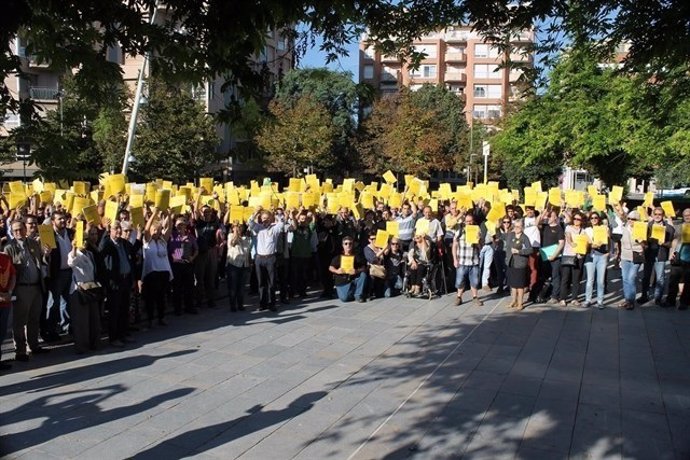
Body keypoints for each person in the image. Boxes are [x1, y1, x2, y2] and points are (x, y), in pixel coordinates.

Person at [4, 220, 50, 361]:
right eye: (15, 230)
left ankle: (34, 345)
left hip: (36, 286)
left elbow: (40, 261)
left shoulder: (33, 243)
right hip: (21, 287)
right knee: (19, 321)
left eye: (20, 229)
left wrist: (46, 254)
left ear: (25, 229)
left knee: (34, 318)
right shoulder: (9, 248)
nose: (18, 232)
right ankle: (21, 350)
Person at [100, 220, 136, 347]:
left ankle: (123, 334)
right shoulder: (108, 244)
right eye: (116, 229)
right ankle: (113, 337)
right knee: (114, 311)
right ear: (111, 230)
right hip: (114, 282)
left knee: (124, 309)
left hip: (126, 280)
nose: (119, 231)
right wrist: (105, 232)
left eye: (120, 228)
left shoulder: (124, 243)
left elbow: (133, 253)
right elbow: (101, 250)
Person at [68, 225, 103, 354]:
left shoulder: (89, 253)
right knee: (81, 320)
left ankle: (94, 343)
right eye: (82, 239)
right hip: (79, 290)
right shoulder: (74, 253)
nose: (84, 242)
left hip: (91, 288)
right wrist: (74, 247)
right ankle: (81, 346)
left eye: (86, 239)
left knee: (93, 318)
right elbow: (71, 261)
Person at [249, 208, 287, 311]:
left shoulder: (274, 229)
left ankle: (272, 303)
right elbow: (250, 222)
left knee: (271, 282)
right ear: (261, 219)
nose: (265, 220)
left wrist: (276, 214)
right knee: (261, 283)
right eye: (263, 218)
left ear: (270, 219)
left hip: (270, 258)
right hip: (259, 258)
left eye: (267, 218)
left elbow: (282, 222)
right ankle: (262, 303)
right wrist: (256, 212)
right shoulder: (258, 228)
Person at [142, 209, 173, 326]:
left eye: (159, 230)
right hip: (152, 273)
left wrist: (169, 215)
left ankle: (161, 317)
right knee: (151, 298)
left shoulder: (162, 241)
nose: (156, 232)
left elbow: (169, 229)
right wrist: (154, 213)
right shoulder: (147, 241)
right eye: (154, 230)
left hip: (163, 272)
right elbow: (146, 229)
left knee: (162, 297)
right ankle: (150, 319)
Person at [46, 210, 73, 340]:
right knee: (54, 303)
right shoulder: (48, 235)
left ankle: (67, 327)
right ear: (53, 222)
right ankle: (50, 330)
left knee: (67, 302)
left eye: (64, 219)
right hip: (57, 274)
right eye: (59, 219)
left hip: (70, 272)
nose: (62, 221)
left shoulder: (71, 233)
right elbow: (45, 257)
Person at [640, 207, 675, 306]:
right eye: (655, 214)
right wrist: (644, 242)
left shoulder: (669, 228)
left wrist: (663, 243)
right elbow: (643, 241)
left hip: (661, 255)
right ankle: (644, 296)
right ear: (652, 215)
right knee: (646, 277)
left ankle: (657, 298)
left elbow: (670, 244)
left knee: (660, 278)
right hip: (649, 254)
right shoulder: (647, 226)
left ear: (663, 215)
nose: (657, 216)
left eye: (660, 214)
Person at [168, 217, 198, 315]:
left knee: (189, 286)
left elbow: (196, 249)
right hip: (176, 264)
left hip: (187, 264)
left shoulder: (190, 236)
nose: (181, 226)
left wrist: (192, 257)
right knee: (177, 288)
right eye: (179, 225)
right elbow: (171, 249)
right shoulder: (173, 236)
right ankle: (178, 308)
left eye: (183, 224)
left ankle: (189, 307)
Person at [452, 214, 483, 306]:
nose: (469, 223)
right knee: (459, 280)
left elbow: (480, 247)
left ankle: (475, 297)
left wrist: (478, 241)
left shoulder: (477, 230)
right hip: (462, 260)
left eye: (470, 221)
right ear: (464, 222)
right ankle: (459, 297)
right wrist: (455, 259)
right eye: (467, 221)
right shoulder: (460, 231)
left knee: (475, 281)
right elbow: (455, 245)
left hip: (474, 260)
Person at [193, 204, 221, 308]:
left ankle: (211, 300)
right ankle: (199, 300)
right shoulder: (199, 223)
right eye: (204, 212)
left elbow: (219, 211)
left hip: (211, 252)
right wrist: (199, 195)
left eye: (208, 211)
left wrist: (217, 200)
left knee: (211, 277)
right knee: (199, 277)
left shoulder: (215, 223)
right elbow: (195, 211)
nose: (207, 213)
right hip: (201, 253)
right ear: (201, 213)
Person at [619, 210, 645, 310]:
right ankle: (627, 300)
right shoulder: (625, 228)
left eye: (633, 219)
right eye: (629, 218)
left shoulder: (641, 229)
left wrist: (641, 241)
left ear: (638, 220)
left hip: (636, 255)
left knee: (631, 278)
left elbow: (645, 245)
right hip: (625, 256)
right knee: (625, 279)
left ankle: (631, 301)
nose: (630, 220)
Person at [537, 210, 565, 303]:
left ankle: (555, 296)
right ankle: (545, 294)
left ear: (555, 218)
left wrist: (554, 255)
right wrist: (544, 212)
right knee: (545, 276)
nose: (548, 218)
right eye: (547, 216)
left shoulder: (558, 228)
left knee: (555, 276)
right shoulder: (544, 227)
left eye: (550, 216)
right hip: (544, 255)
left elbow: (561, 243)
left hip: (555, 256)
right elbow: (536, 223)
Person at [504, 219, 532, 310]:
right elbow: (502, 237)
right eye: (515, 226)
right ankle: (513, 301)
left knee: (520, 285)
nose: (516, 228)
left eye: (519, 226)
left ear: (522, 227)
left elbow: (530, 250)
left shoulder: (524, 237)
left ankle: (520, 303)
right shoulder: (511, 235)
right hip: (511, 262)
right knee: (513, 284)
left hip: (520, 263)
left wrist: (519, 251)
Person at [559, 211, 586, 306]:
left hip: (579, 256)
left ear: (581, 221)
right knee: (565, 278)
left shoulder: (583, 230)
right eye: (575, 219)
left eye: (578, 219)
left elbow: (585, 242)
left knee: (576, 278)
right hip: (568, 255)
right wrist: (571, 243)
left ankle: (574, 298)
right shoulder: (568, 227)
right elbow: (568, 236)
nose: (576, 221)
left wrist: (581, 252)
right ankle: (562, 298)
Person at [329, 236, 367, 302]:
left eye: (350, 243)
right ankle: (355, 292)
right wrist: (337, 271)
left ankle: (358, 295)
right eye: (346, 244)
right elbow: (330, 267)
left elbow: (364, 268)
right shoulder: (338, 257)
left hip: (353, 279)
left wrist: (357, 271)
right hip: (342, 281)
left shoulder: (357, 257)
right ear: (343, 245)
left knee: (363, 275)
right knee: (344, 299)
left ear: (353, 245)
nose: (348, 245)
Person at [584, 211, 609, 309]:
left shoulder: (604, 228)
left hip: (602, 256)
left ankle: (600, 301)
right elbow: (587, 242)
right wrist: (591, 244)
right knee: (590, 280)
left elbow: (608, 241)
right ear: (589, 220)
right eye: (592, 218)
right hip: (591, 255)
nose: (594, 219)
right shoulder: (587, 230)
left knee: (601, 281)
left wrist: (608, 253)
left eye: (596, 217)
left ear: (599, 219)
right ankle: (588, 300)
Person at [290, 211, 317, 298]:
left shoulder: (309, 228)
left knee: (304, 275)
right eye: (301, 219)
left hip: (306, 255)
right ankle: (293, 291)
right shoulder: (296, 228)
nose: (303, 221)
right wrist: (298, 213)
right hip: (296, 255)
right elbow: (293, 220)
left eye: (304, 219)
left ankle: (302, 291)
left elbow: (313, 221)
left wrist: (312, 213)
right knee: (294, 274)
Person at [667, 208, 690, 309]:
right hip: (678, 257)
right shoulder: (679, 227)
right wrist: (672, 253)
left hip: (689, 259)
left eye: (689, 214)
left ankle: (684, 302)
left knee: (688, 282)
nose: (688, 216)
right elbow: (675, 240)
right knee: (673, 280)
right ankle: (670, 301)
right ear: (683, 216)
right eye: (686, 215)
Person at [226, 223, 251, 312]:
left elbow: (248, 252)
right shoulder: (230, 235)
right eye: (237, 227)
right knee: (233, 286)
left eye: (240, 227)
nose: (239, 228)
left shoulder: (247, 237)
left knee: (241, 287)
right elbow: (233, 243)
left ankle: (240, 304)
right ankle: (233, 305)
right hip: (234, 264)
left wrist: (249, 264)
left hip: (244, 264)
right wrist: (235, 231)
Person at [0, 250, 16, 370]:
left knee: (2, 332)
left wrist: (9, 292)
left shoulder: (5, 257)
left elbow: (13, 275)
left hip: (5, 302)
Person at [363, 231, 386, 299]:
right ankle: (369, 292)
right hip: (372, 270)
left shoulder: (380, 246)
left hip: (381, 270)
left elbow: (386, 253)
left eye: (375, 238)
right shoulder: (367, 248)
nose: (374, 240)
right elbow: (373, 259)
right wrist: (383, 249)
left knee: (382, 294)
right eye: (372, 239)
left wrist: (389, 244)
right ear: (369, 240)